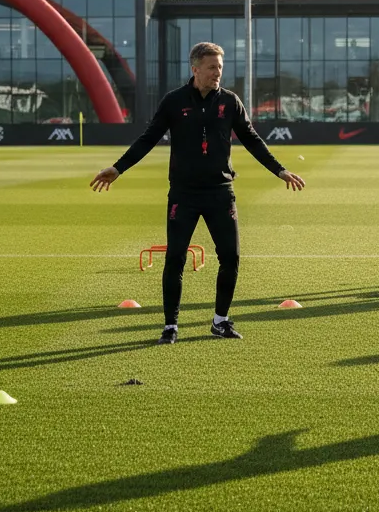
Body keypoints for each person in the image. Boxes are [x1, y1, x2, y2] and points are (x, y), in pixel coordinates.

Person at [90, 42, 305, 345]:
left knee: (231, 257)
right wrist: (118, 168)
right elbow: (148, 138)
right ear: (195, 69)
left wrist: (279, 170)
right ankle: (170, 326)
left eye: (220, 66)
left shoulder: (230, 102)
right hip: (184, 194)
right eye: (212, 67)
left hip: (221, 193)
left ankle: (220, 321)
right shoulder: (174, 101)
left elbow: (252, 139)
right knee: (175, 259)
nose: (218, 72)